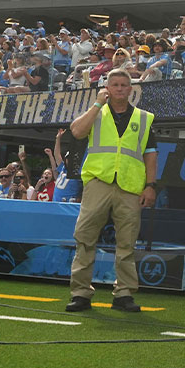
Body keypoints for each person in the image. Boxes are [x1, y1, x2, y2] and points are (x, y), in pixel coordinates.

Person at [64, 69, 158, 313]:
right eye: (114, 84)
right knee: (85, 237)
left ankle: (124, 293)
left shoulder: (144, 118)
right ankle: (80, 293)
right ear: (107, 88)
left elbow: (151, 155)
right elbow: (77, 132)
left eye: (123, 85)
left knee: (127, 241)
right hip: (98, 181)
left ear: (131, 89)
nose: (119, 88)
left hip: (130, 186)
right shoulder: (96, 112)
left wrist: (150, 185)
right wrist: (97, 104)